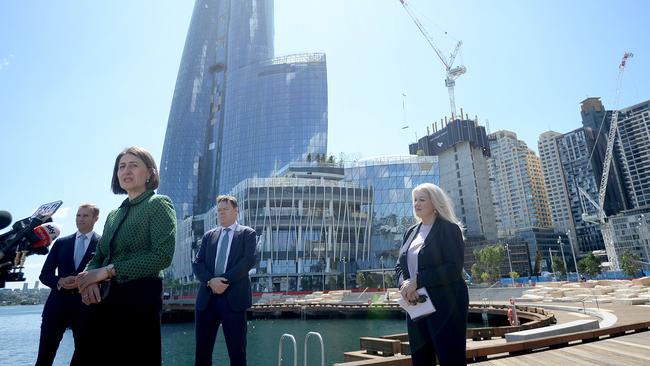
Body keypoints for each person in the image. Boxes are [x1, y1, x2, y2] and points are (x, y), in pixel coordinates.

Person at [76, 146, 176, 365]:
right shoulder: (114, 214)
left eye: (134, 165)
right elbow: (99, 254)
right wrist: (88, 280)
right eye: (121, 166)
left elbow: (162, 256)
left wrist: (107, 271)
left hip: (139, 299)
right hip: (106, 298)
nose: (126, 171)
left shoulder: (158, 204)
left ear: (150, 173)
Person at [395, 183, 469, 366]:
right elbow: (399, 266)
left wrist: (417, 281)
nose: (416, 204)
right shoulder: (410, 232)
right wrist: (405, 285)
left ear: (434, 203)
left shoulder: (449, 229)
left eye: (422, 199)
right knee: (420, 359)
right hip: (415, 304)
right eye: (414, 200)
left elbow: (453, 268)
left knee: (450, 357)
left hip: (446, 304)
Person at [193, 195, 257, 366]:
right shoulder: (209, 236)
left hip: (234, 300)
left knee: (237, 355)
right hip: (207, 300)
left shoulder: (247, 234)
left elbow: (248, 261)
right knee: (202, 354)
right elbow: (197, 263)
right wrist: (210, 282)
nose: (221, 213)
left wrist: (222, 281)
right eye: (219, 210)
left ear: (236, 211)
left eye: (225, 209)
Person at [36, 204, 100, 366]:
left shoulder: (102, 245)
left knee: (84, 359)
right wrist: (60, 281)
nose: (80, 219)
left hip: (87, 309)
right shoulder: (61, 243)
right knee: (44, 359)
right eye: (78, 215)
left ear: (95, 219)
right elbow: (45, 275)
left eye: (85, 216)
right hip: (56, 308)